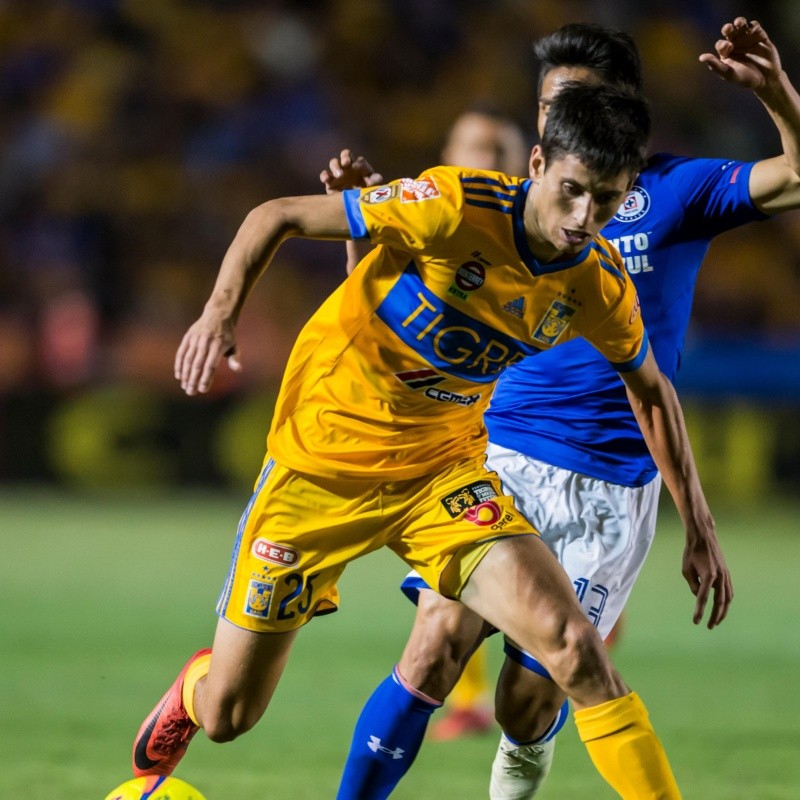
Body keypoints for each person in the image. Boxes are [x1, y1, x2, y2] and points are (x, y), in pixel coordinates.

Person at [130, 82, 699, 800]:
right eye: (573, 191)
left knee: (574, 649)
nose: (585, 218)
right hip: (318, 470)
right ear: (537, 165)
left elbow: (649, 387)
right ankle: (193, 690)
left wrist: (698, 523)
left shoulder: (596, 283)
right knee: (229, 717)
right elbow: (274, 215)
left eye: (608, 201)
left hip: (443, 477)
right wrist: (218, 315)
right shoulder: (453, 206)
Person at [327, 17, 800, 800]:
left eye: (573, 101)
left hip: (610, 484)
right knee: (436, 642)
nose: (551, 121)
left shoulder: (676, 191)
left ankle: (523, 754)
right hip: (502, 451)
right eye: (546, 106)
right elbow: (401, 297)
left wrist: (779, 95)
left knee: (529, 698)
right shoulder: (513, 201)